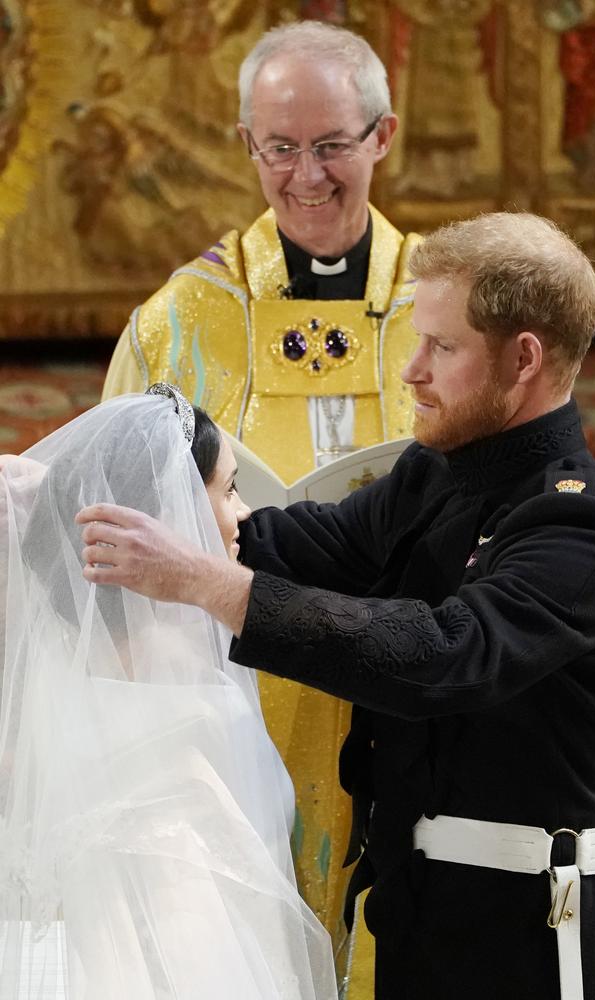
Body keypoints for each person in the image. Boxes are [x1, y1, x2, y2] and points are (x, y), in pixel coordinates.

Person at [79, 211, 595, 1000]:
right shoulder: (440, 471)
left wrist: (203, 581)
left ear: (524, 360)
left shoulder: (582, 523)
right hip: (420, 914)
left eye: (441, 348)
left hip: (533, 933)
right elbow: (300, 546)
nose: (411, 370)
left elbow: (443, 654)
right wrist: (71, 511)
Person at [102, 21, 419, 978]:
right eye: (281, 147)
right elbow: (111, 517)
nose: (307, 175)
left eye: (331, 145)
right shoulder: (179, 321)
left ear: (382, 137)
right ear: (248, 144)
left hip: (415, 677)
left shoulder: (452, 305)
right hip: (238, 688)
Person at [0, 386, 337, 1000]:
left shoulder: (86, 672)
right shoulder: (168, 688)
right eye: (228, 489)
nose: (243, 514)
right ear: (168, 508)